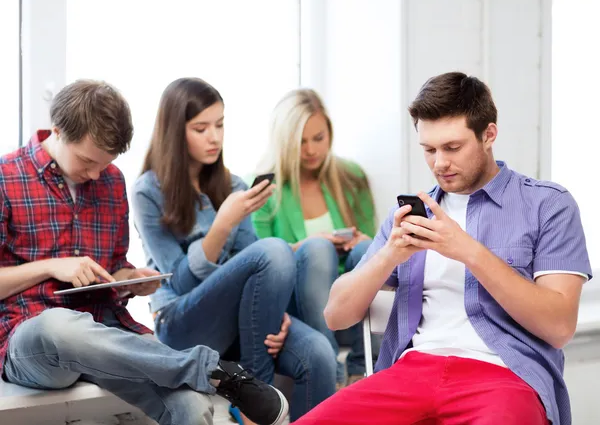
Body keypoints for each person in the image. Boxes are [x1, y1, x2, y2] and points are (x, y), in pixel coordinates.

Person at [291, 72, 592, 425]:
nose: (439, 163)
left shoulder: (548, 205)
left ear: (489, 135)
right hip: (411, 372)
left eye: (452, 147)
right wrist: (390, 254)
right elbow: (336, 316)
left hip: (505, 374)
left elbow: (558, 327)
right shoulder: (407, 217)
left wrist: (467, 250)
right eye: (429, 150)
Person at [0, 80, 291, 425]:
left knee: (193, 405)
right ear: (58, 132)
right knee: (60, 326)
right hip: (33, 341)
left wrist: (130, 281)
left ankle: (209, 375)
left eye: (104, 163)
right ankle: (212, 370)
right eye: (87, 161)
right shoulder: (6, 177)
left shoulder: (110, 180)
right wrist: (52, 267)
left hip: (108, 339)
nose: (96, 174)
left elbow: (114, 268)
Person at [131, 78, 336, 424]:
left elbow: (262, 268)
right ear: (174, 132)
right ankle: (258, 398)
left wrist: (279, 316)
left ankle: (257, 396)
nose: (215, 137)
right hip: (181, 323)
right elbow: (179, 282)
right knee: (273, 249)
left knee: (319, 354)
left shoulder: (234, 186)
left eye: (220, 124)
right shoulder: (148, 192)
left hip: (242, 322)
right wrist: (222, 223)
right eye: (201, 128)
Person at [252, 89, 377, 387]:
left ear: (329, 134)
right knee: (319, 248)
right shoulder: (262, 189)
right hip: (298, 310)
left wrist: (360, 240)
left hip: (349, 311)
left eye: (318, 139)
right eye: (300, 142)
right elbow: (258, 261)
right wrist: (308, 244)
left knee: (369, 249)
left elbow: (376, 247)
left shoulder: (351, 177)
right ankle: (331, 373)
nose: (310, 150)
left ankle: (363, 368)